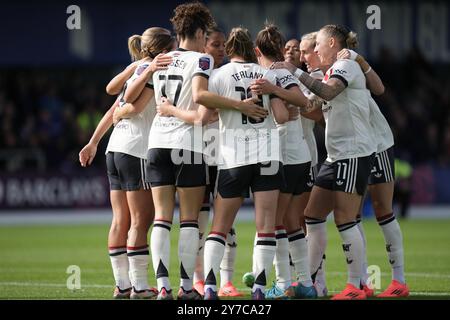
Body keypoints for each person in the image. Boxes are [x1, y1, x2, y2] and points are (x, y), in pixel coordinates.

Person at [116, 2, 266, 300]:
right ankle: (186, 287)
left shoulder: (161, 59)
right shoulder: (202, 60)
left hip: (156, 144)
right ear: (198, 32)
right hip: (188, 145)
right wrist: (237, 105)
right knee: (188, 220)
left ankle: (162, 288)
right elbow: (200, 101)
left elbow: (127, 95)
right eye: (204, 34)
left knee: (161, 217)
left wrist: (145, 75)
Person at [274, 24, 377, 300]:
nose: (315, 49)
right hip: (334, 157)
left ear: (332, 42)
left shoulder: (345, 66)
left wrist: (292, 71)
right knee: (312, 215)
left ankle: (356, 286)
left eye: (318, 44)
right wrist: (280, 94)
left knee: (345, 219)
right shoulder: (332, 71)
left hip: (353, 153)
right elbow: (312, 106)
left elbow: (328, 93)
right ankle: (311, 284)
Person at [78, 27, 174, 299]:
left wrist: (94, 142)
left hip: (115, 149)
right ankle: (140, 287)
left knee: (121, 220)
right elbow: (130, 106)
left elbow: (111, 96)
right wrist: (148, 72)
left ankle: (123, 285)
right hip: (137, 149)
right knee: (140, 221)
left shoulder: (135, 69)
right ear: (163, 51)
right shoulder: (153, 72)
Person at [248, 24, 317, 299]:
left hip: (284, 154)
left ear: (256, 50)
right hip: (299, 152)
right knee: (291, 222)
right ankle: (305, 284)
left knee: (275, 223)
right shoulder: (283, 72)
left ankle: (281, 283)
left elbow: (295, 105)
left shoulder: (272, 73)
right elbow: (300, 102)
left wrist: (270, 89)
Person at [338, 48, 409, 297]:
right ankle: (362, 281)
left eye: (314, 47)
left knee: (382, 209)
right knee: (351, 214)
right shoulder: (322, 74)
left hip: (377, 143)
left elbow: (379, 89)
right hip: (353, 149)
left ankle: (399, 280)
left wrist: (359, 58)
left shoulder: (347, 67)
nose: (308, 54)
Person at [192, 27, 244, 298]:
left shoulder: (227, 75)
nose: (221, 49)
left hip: (226, 155)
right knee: (200, 222)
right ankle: (199, 279)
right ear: (203, 46)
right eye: (215, 44)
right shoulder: (199, 75)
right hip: (199, 155)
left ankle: (226, 281)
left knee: (226, 221)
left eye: (223, 45)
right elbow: (201, 114)